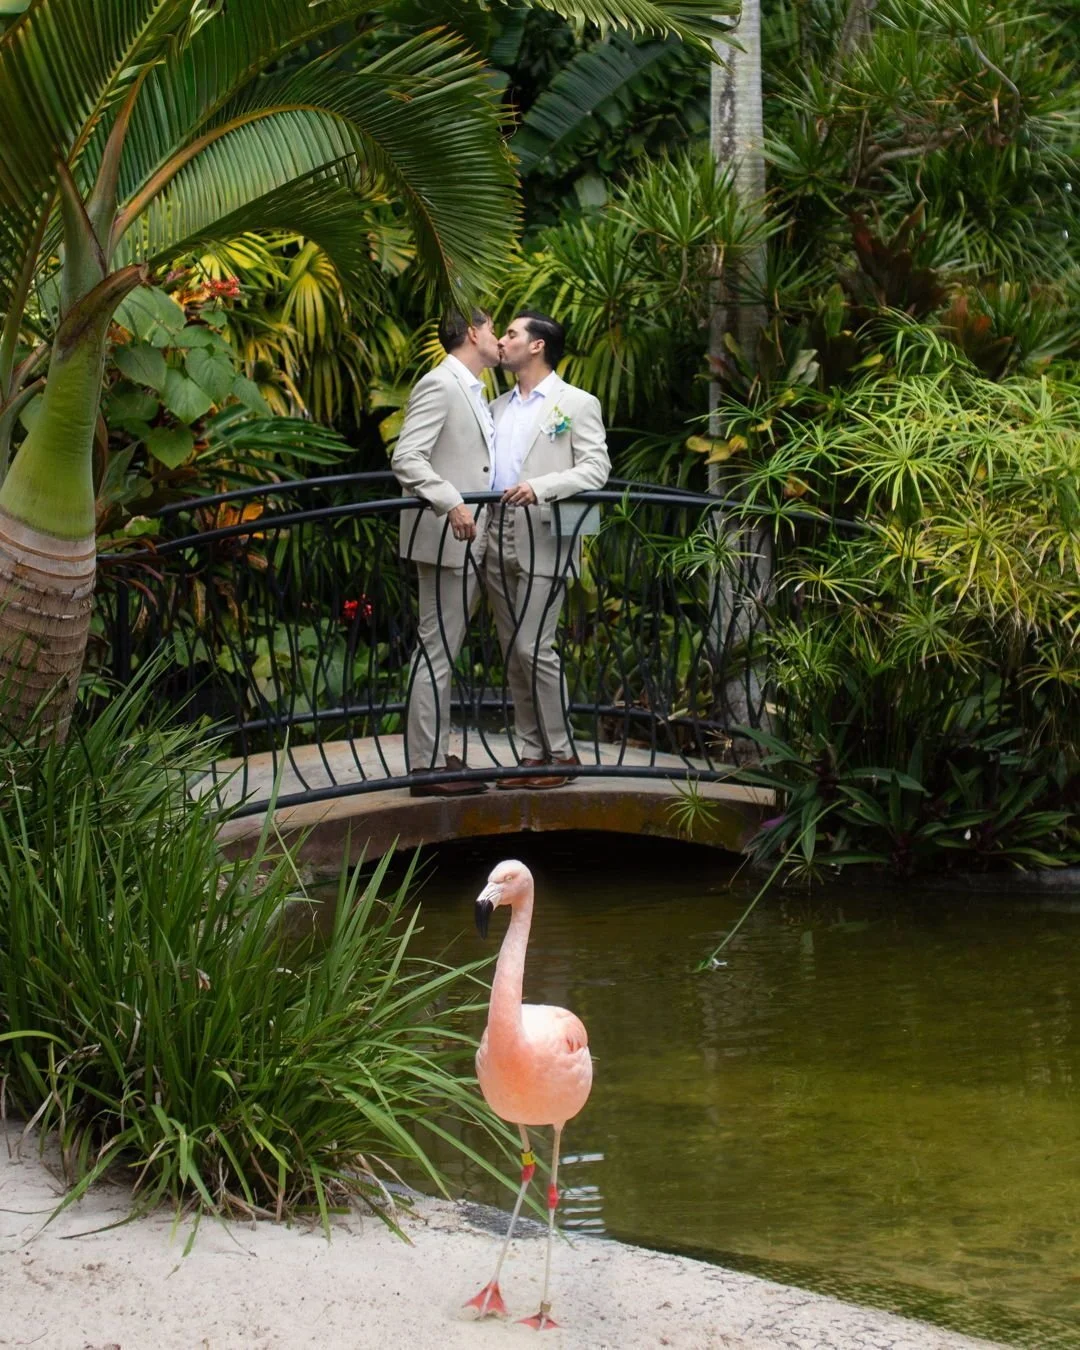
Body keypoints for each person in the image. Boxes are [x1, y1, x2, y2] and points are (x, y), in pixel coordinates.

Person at [487, 311, 611, 789]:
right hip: (495, 534)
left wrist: (542, 486)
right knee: (511, 650)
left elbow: (596, 469)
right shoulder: (496, 407)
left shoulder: (576, 403)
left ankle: (561, 752)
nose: (502, 340)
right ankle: (531, 755)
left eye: (512, 334)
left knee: (533, 645)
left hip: (545, 532)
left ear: (536, 346)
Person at [391, 308, 500, 796]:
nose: (498, 339)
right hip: (445, 537)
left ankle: (435, 754)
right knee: (436, 648)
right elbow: (406, 457)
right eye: (494, 329)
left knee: (443, 648)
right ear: (474, 333)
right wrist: (452, 502)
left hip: (469, 539)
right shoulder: (440, 384)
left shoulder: (474, 390)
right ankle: (426, 766)